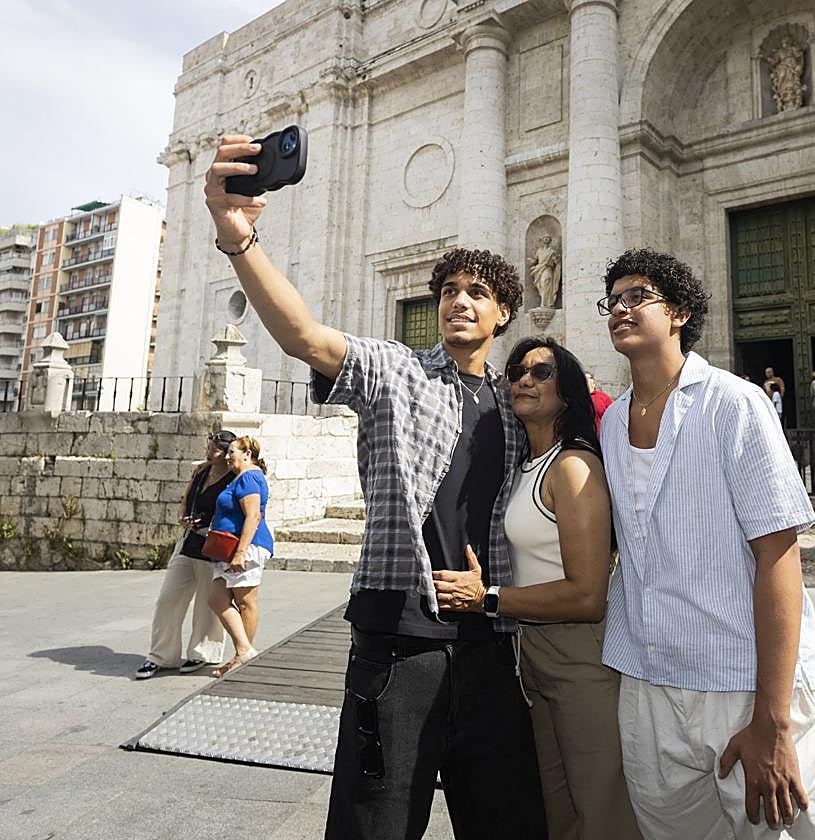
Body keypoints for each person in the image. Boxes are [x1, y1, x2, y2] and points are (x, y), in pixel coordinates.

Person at [203, 135, 545, 840]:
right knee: (373, 829)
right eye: (449, 290)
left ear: (504, 313)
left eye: (477, 293)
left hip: (492, 650)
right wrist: (240, 241)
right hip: (397, 646)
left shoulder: (520, 406)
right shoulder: (395, 372)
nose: (458, 301)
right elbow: (302, 335)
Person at [597, 248, 815, 840]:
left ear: (679, 312)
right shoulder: (611, 422)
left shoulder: (735, 404)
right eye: (613, 300)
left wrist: (773, 721)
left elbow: (779, 556)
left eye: (638, 297)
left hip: (740, 680)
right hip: (648, 680)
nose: (620, 309)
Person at [435, 337, 642, 840]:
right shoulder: (526, 466)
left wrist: (486, 598)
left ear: (568, 393)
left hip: (579, 657)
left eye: (542, 372)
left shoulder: (573, 467)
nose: (525, 379)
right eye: (517, 371)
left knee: (602, 810)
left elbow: (587, 596)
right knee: (558, 813)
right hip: (532, 656)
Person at [135, 429, 235, 679]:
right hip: (189, 542)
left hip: (214, 547)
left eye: (216, 449)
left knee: (206, 604)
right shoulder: (201, 471)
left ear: (227, 453)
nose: (210, 451)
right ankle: (160, 655)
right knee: (168, 599)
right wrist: (183, 515)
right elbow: (187, 496)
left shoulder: (235, 477)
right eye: (209, 445)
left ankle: (203, 653)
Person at [207, 435, 272, 676]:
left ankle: (241, 656)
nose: (227, 456)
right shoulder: (240, 477)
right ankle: (244, 650)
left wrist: (241, 552)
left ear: (247, 453)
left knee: (246, 602)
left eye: (231, 451)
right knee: (216, 598)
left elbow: (253, 516)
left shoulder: (250, 478)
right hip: (229, 549)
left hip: (246, 547)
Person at [587, 370, 613, 437]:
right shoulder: (578, 397)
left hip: (601, 437)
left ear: (593, 383)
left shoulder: (603, 397)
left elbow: (612, 416)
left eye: (588, 378)